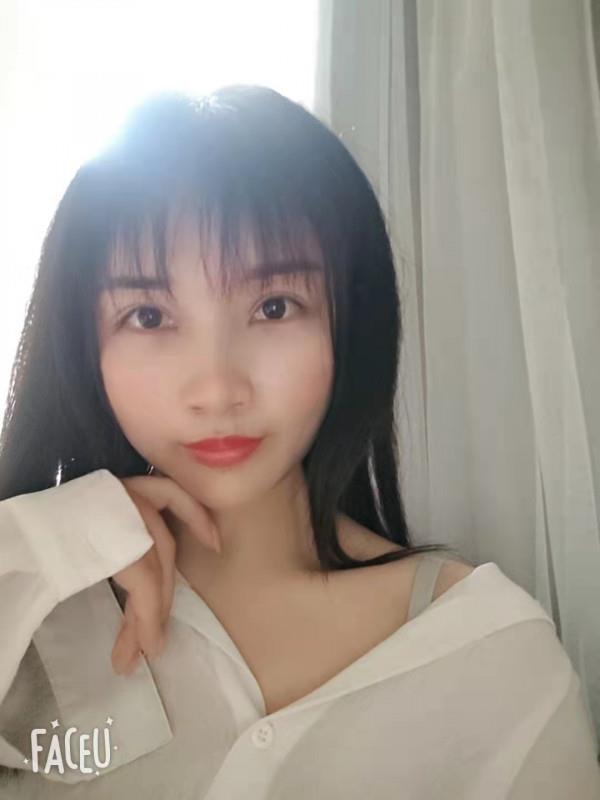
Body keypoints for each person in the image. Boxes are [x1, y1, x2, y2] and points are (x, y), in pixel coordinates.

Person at [0, 85, 598, 799]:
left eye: (274, 307)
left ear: (351, 323)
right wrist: (42, 543)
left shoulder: (492, 655)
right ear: (82, 344)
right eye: (149, 316)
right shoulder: (31, 612)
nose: (217, 388)